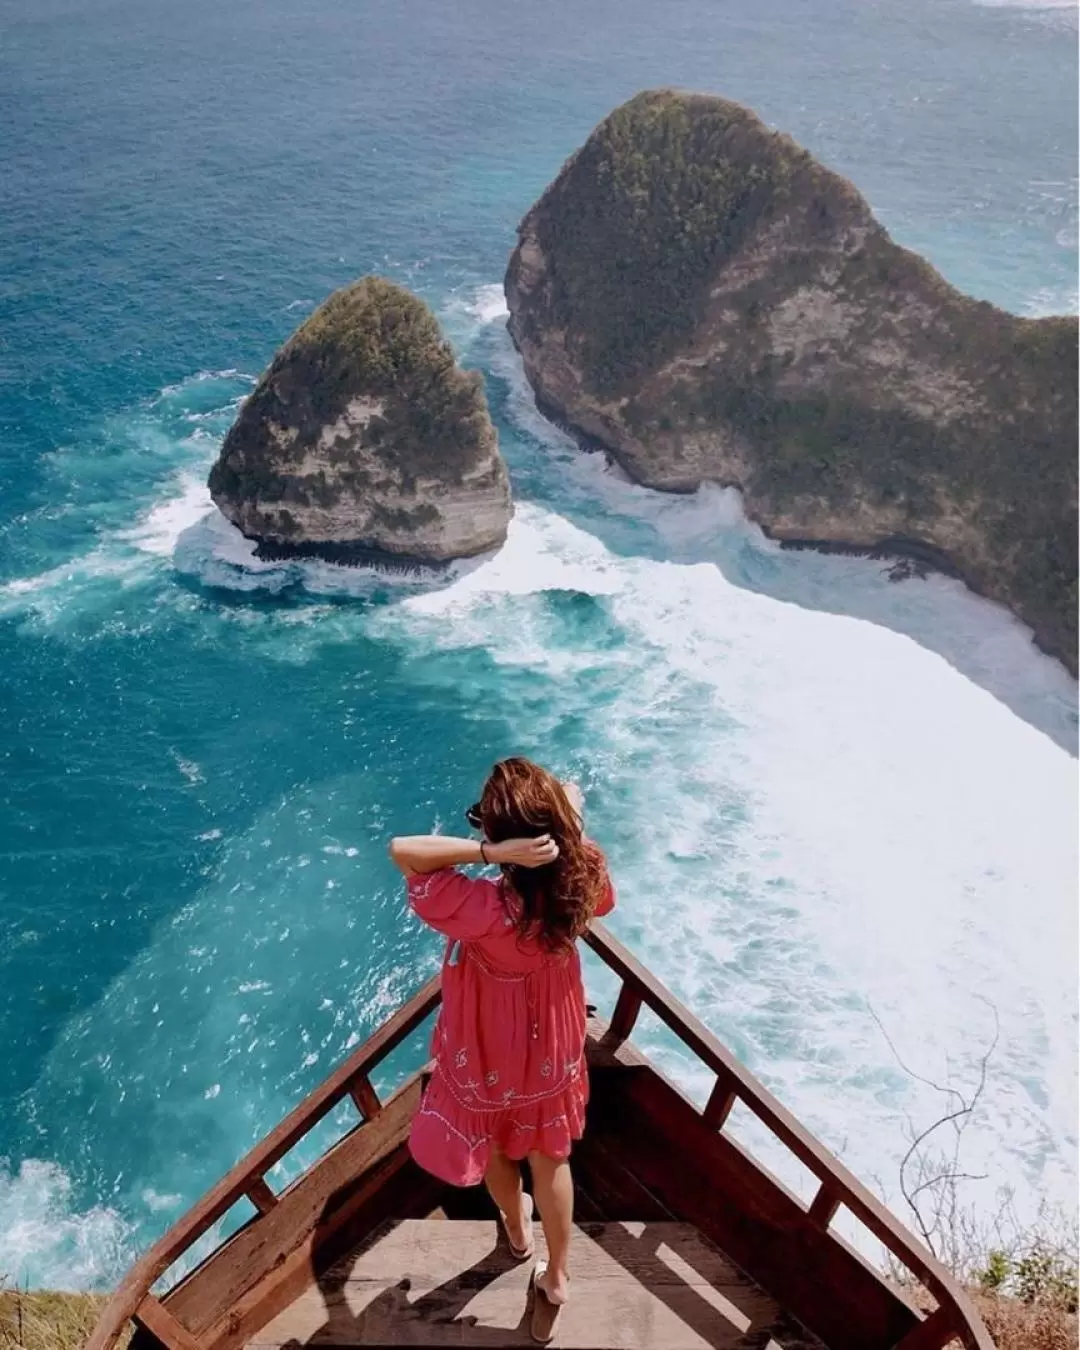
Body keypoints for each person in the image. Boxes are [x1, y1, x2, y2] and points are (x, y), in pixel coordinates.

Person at [389, 756, 615, 1344]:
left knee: (494, 1142)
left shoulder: (484, 910)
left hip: (490, 1047)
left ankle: (516, 1235)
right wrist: (569, 820)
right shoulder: (584, 871)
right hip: (554, 1041)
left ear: (502, 839)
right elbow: (599, 889)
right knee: (550, 1154)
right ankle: (558, 1278)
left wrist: (489, 855)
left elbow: (403, 851)